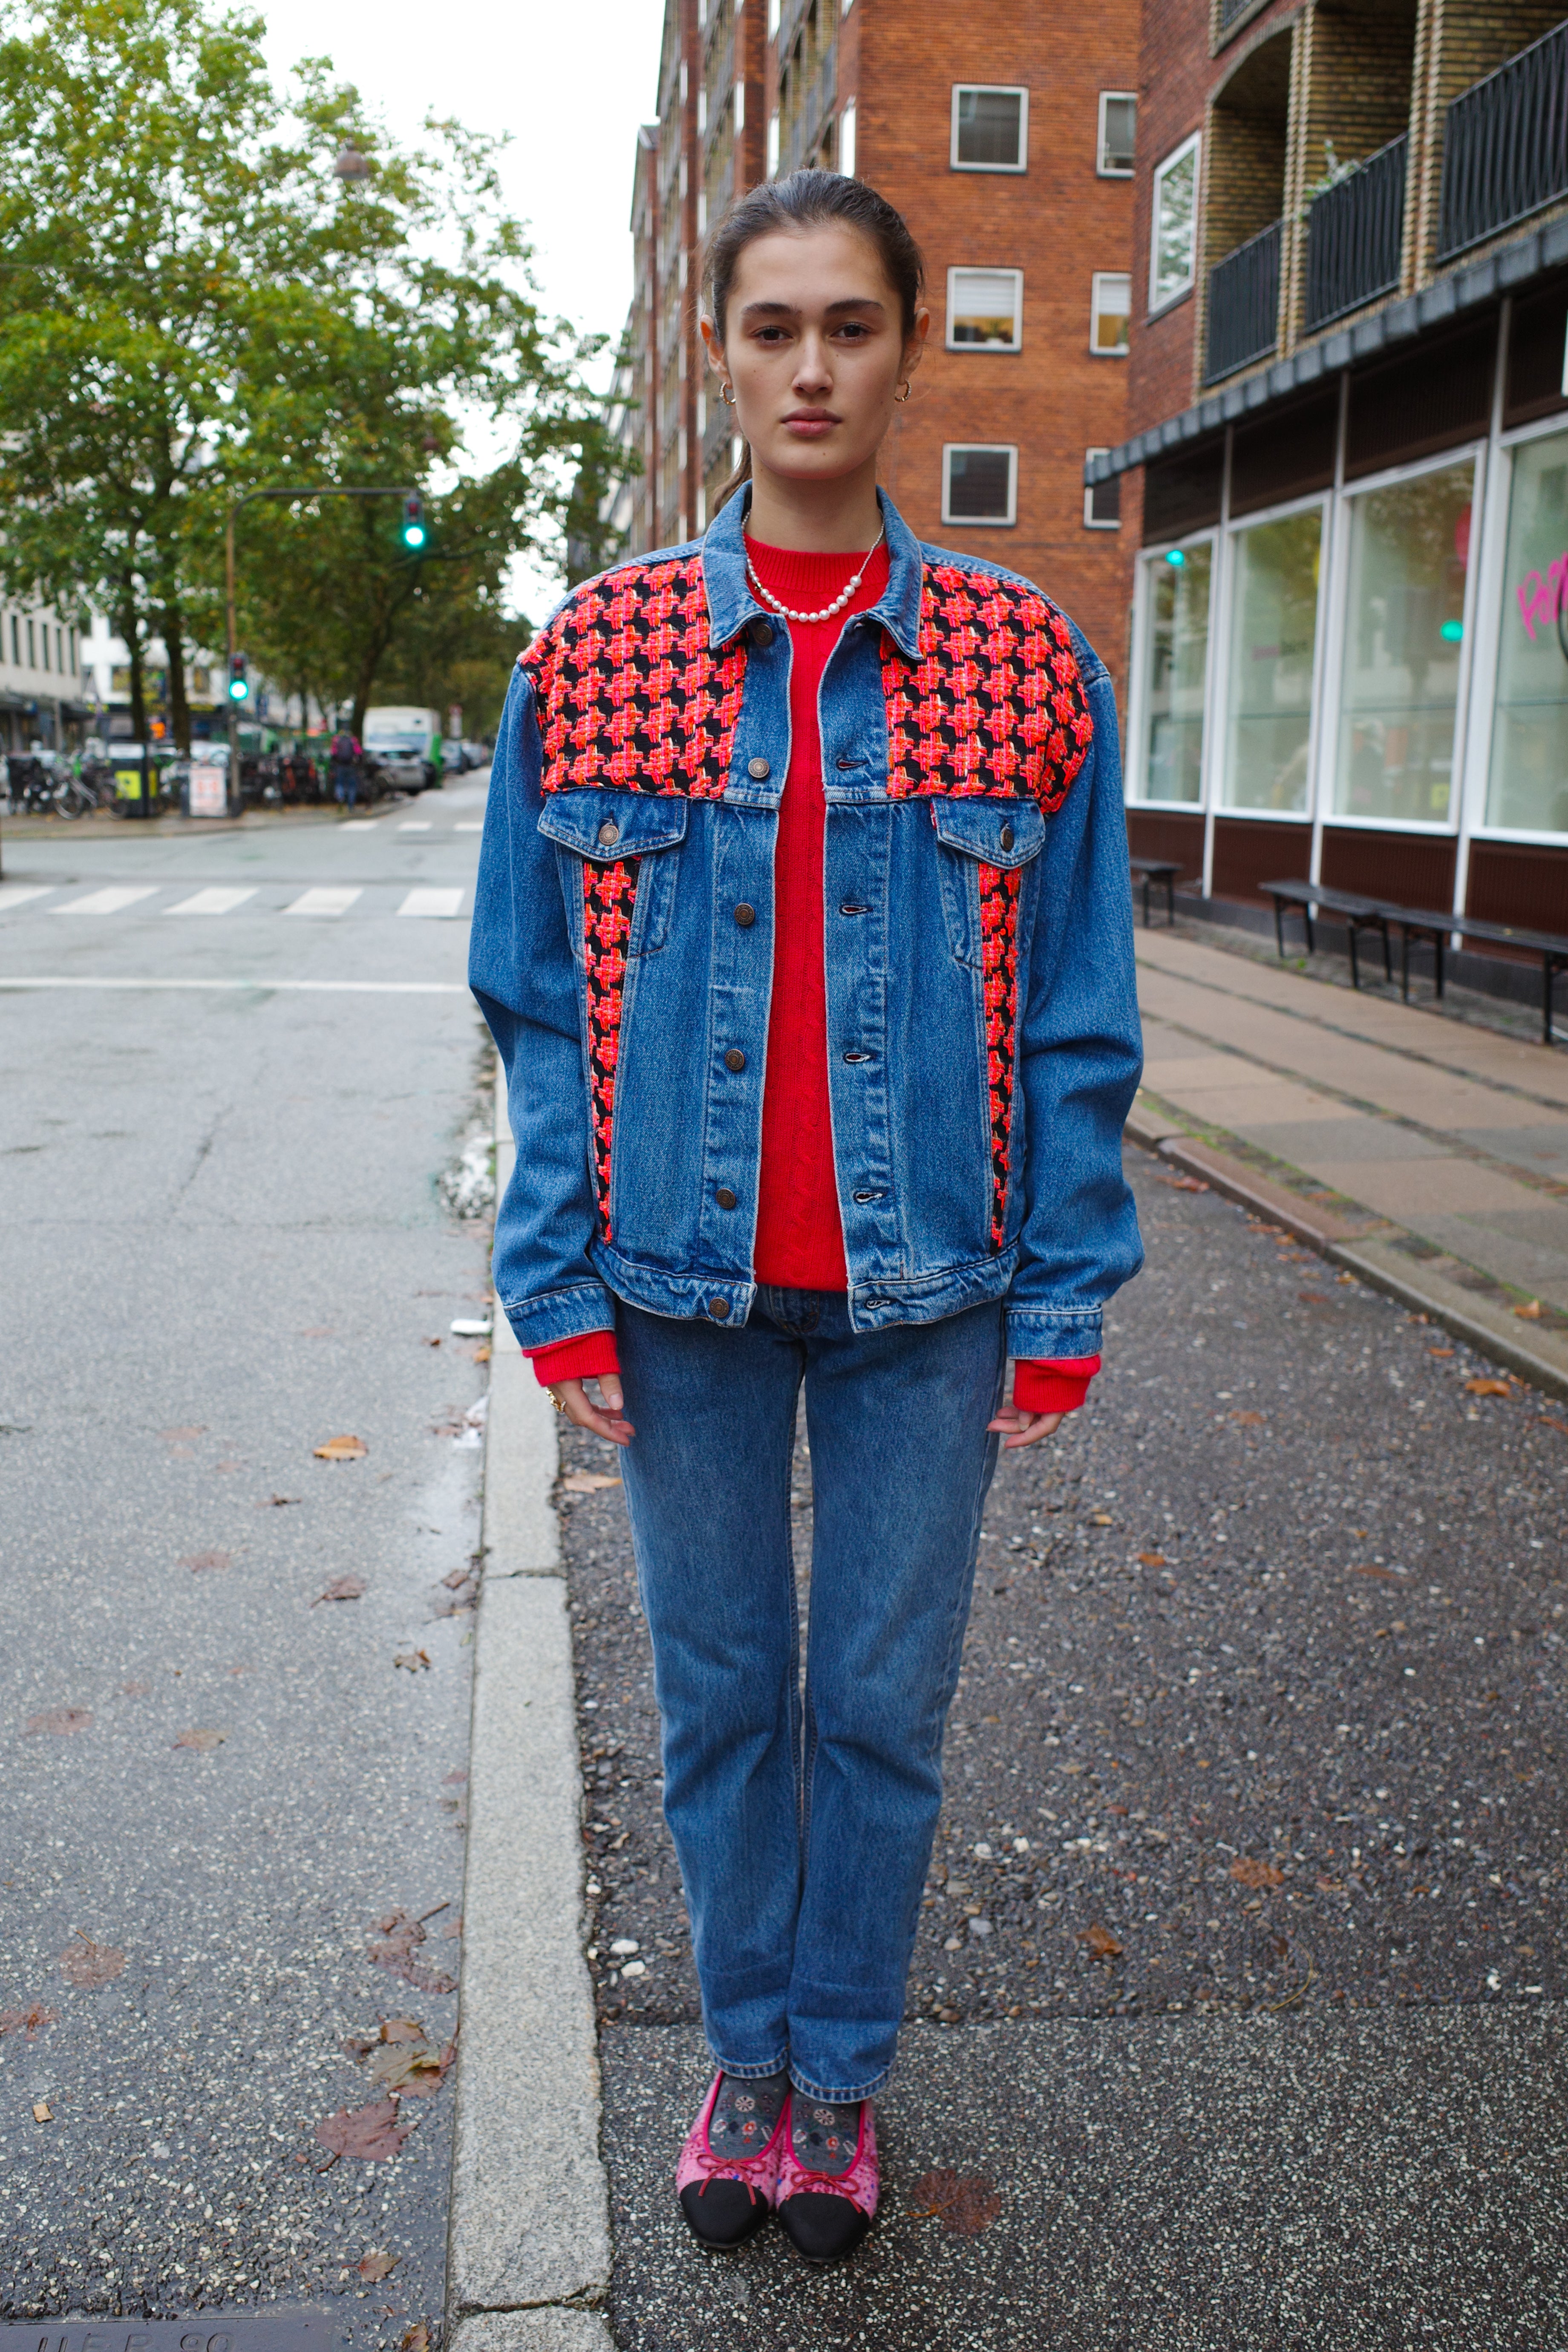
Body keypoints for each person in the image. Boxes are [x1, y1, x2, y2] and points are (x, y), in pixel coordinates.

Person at [470, 170, 1142, 2268]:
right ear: (720, 353)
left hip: (928, 1297)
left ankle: (836, 2077)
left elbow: (1077, 1007)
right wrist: (555, 1284)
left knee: (875, 1704)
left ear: (906, 342)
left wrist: (1067, 1288)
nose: (812, 367)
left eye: (849, 325)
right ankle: (737, 2049)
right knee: (713, 1701)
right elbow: (534, 1004)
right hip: (671, 1290)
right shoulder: (599, 654)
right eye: (773, 328)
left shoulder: (1022, 660)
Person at [329, 724, 361, 808]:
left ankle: (341, 798)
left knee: (340, 783)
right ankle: (351, 804)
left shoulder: (337, 740)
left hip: (340, 766)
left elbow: (333, 754)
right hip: (351, 766)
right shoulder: (353, 740)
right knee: (352, 785)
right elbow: (359, 753)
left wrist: (332, 767)